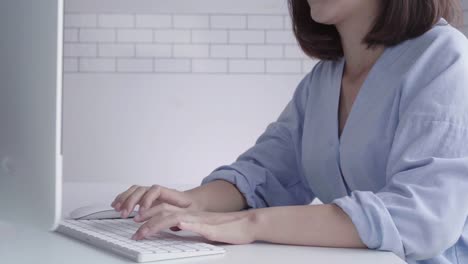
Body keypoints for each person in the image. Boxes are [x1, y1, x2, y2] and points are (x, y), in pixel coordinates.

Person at [111, 0, 468, 263]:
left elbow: (421, 218)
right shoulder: (324, 80)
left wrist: (249, 223)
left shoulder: (444, 60)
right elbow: (266, 172)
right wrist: (192, 203)